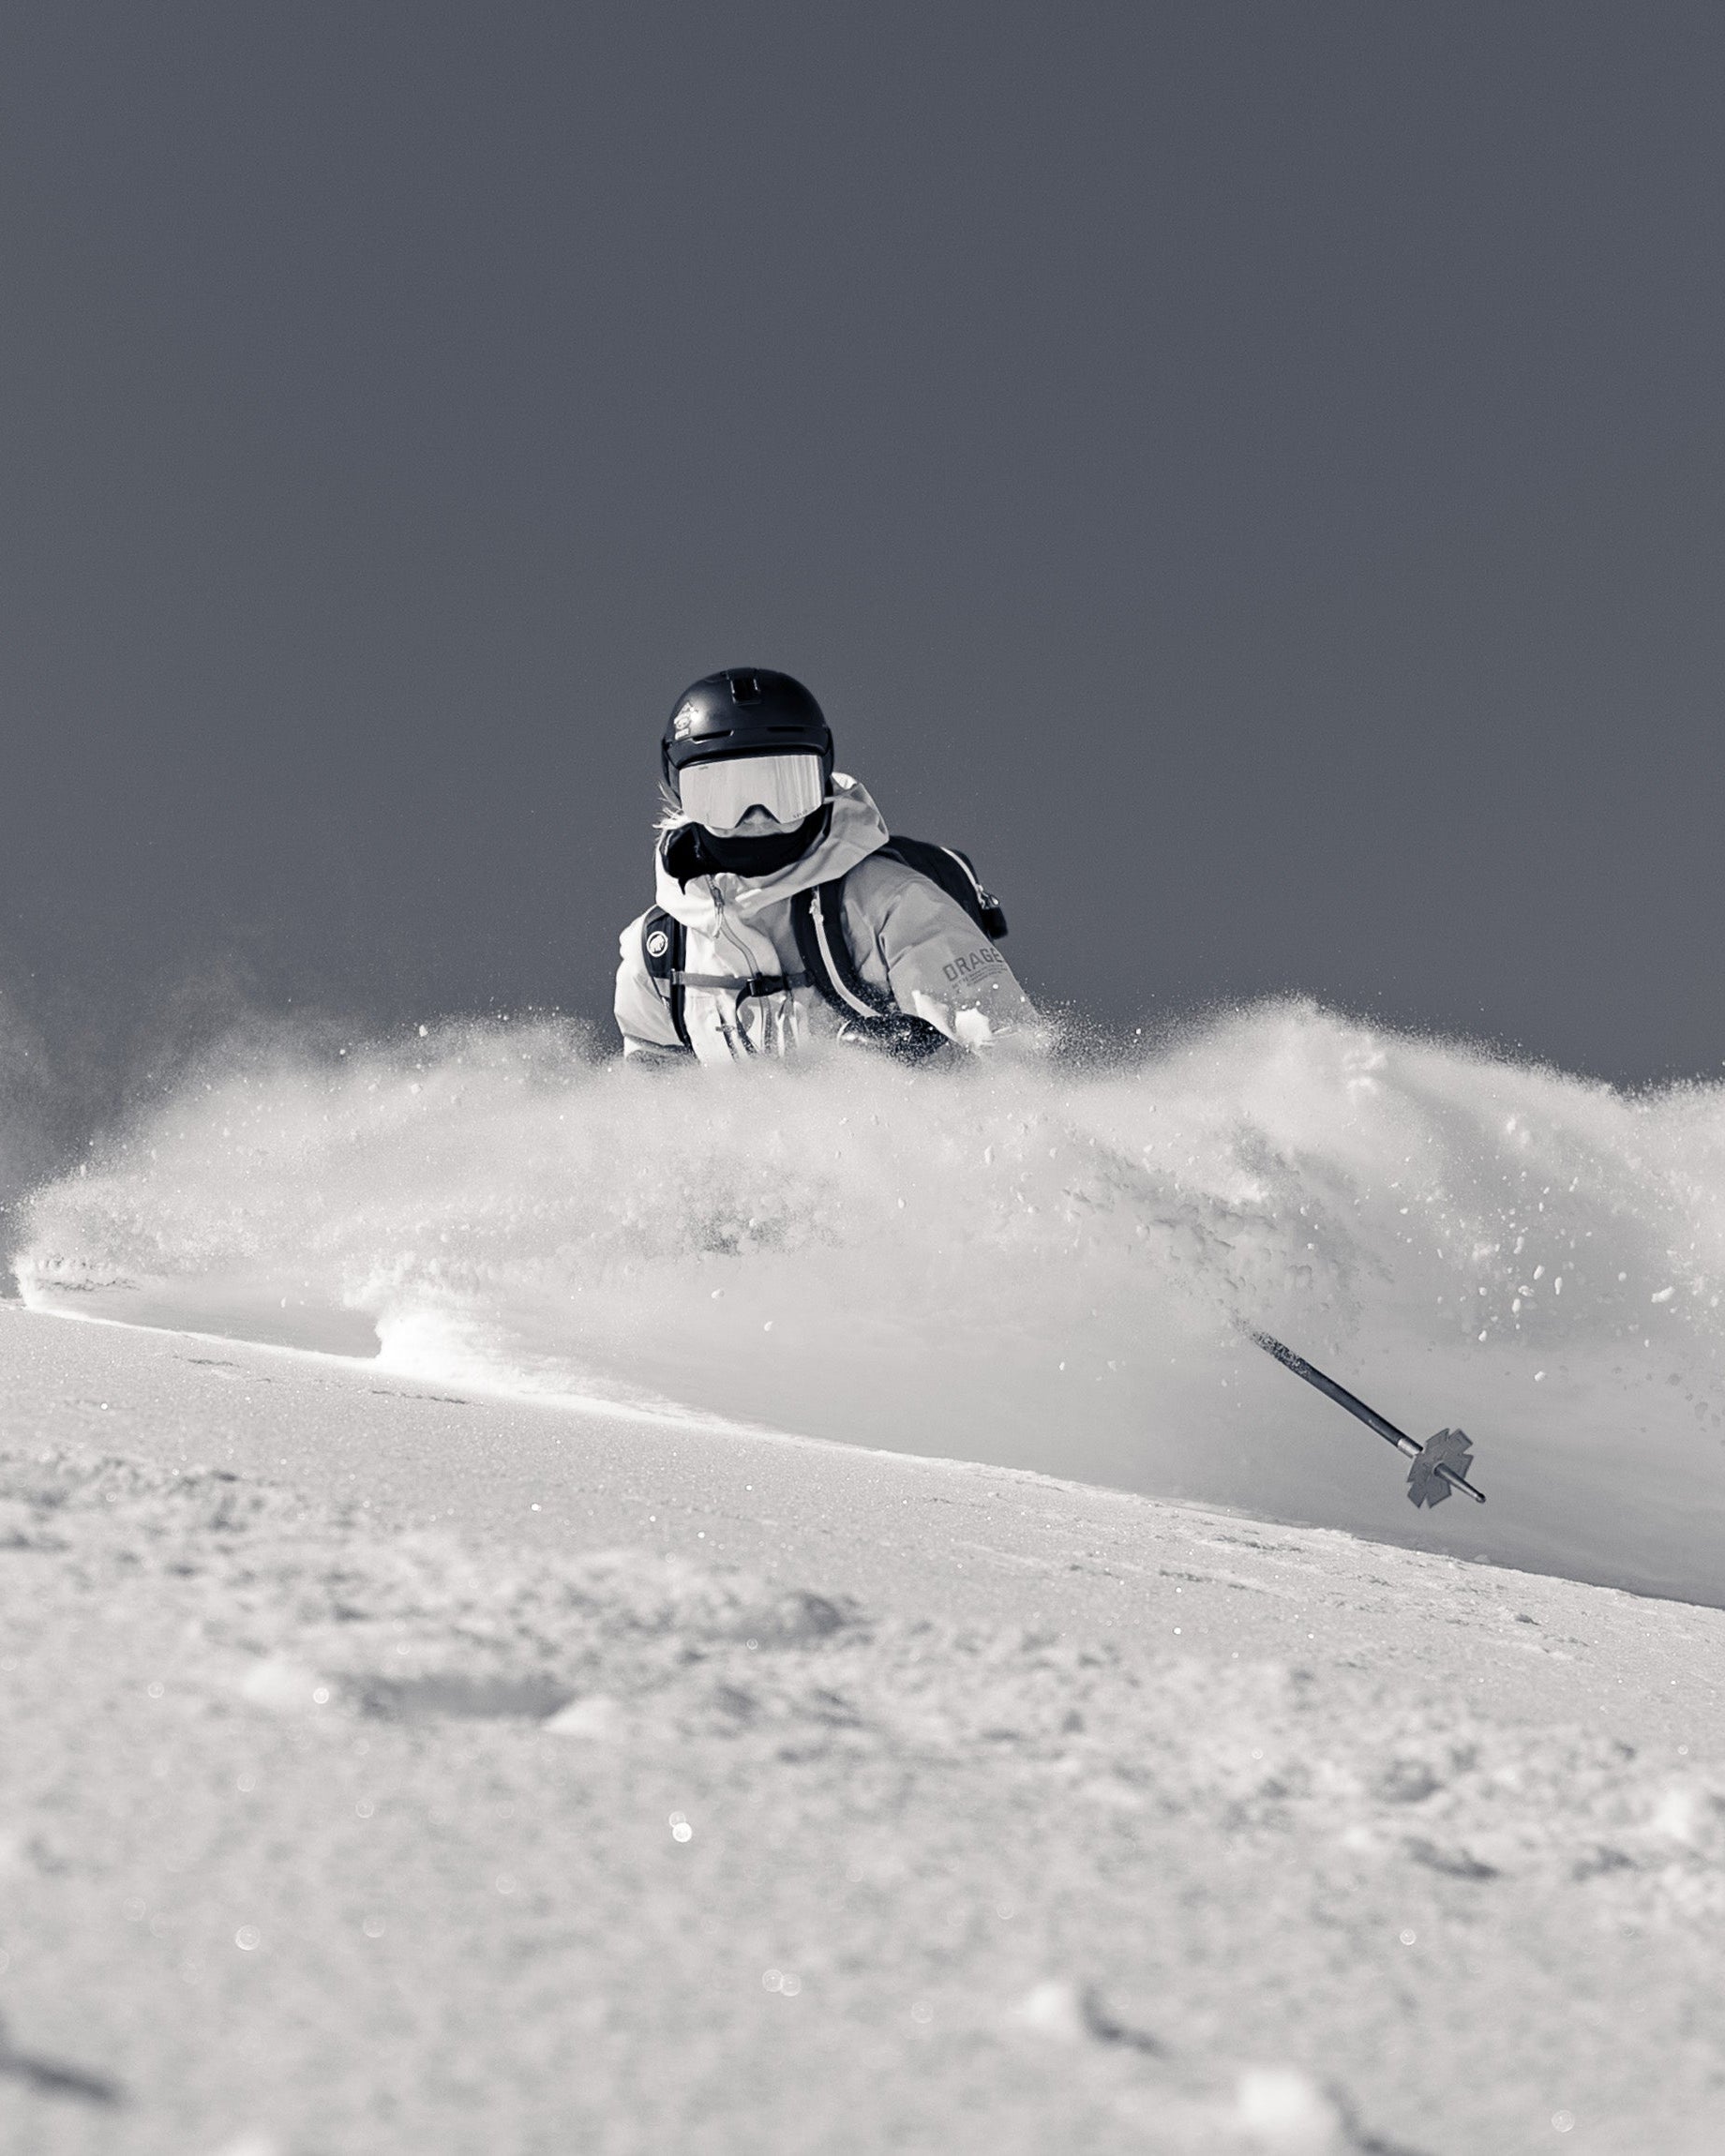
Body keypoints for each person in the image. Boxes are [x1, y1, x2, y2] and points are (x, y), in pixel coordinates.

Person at [614, 668, 1043, 1065]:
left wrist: (923, 1064)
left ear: (821, 781)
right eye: (724, 796)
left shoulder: (889, 903)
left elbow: (1014, 1050)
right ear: (679, 792)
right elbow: (653, 1108)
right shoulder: (658, 949)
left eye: (786, 788)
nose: (759, 816)